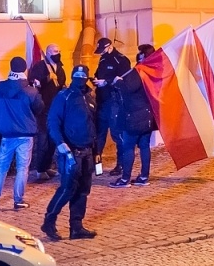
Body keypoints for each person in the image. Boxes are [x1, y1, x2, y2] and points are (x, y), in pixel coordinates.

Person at [41, 64, 99, 241]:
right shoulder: (64, 96)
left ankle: (76, 227)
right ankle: (49, 222)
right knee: (67, 189)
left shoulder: (89, 96)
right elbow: (52, 121)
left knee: (83, 191)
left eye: (83, 75)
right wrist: (60, 143)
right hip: (71, 152)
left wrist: (97, 150)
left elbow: (93, 124)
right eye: (77, 75)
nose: (80, 79)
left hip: (88, 151)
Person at [0, 56, 41, 209]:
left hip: (6, 134)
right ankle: (18, 200)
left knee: (1, 166)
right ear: (24, 69)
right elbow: (39, 108)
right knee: (22, 168)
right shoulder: (30, 91)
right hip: (25, 134)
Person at [108, 50, 157, 187]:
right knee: (144, 146)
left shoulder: (139, 72)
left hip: (134, 116)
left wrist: (118, 82)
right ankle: (144, 176)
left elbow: (128, 89)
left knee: (128, 147)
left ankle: (124, 179)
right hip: (147, 115)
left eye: (141, 58)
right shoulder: (152, 72)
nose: (139, 61)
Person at [27, 44, 67, 181]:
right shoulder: (40, 67)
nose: (58, 53)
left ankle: (47, 166)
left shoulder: (60, 67)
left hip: (56, 109)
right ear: (48, 53)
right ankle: (40, 169)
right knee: (43, 140)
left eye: (59, 51)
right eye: (56, 51)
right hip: (44, 109)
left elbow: (62, 83)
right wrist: (45, 79)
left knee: (52, 140)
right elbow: (34, 83)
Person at [92, 38, 131, 174]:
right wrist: (95, 80)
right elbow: (99, 74)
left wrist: (106, 82)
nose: (101, 53)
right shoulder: (103, 59)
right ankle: (97, 168)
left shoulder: (121, 60)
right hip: (102, 102)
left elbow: (125, 81)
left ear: (110, 47)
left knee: (117, 135)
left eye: (102, 50)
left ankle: (121, 165)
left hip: (115, 103)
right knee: (99, 135)